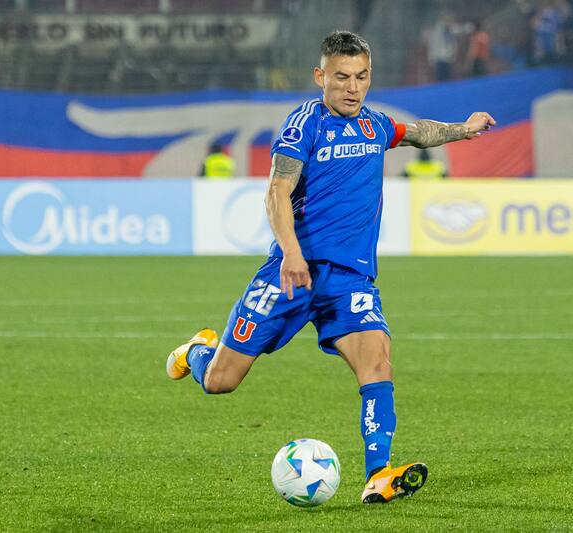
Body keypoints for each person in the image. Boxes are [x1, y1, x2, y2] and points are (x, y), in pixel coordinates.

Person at [165, 31, 495, 504]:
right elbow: (277, 193)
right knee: (221, 381)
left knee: (377, 361)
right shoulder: (304, 126)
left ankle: (379, 474)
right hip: (290, 273)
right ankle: (197, 351)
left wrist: (463, 129)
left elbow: (419, 132)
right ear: (321, 76)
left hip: (349, 279)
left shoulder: (374, 126)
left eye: (361, 77)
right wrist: (293, 253)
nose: (352, 87)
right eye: (341, 77)